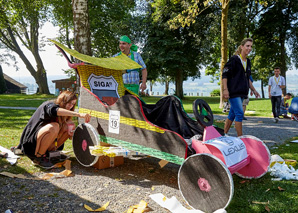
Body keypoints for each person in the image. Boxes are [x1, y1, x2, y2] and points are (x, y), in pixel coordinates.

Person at [16, 91, 91, 169]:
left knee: (69, 125)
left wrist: (71, 134)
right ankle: (39, 158)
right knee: (53, 127)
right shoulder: (50, 104)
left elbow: (68, 128)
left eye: (73, 104)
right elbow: (54, 111)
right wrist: (78, 114)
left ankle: (51, 154)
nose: (71, 106)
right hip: (32, 144)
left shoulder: (65, 115)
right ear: (63, 100)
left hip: (46, 142)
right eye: (69, 103)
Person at [222, 38, 260, 136]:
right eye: (247, 46)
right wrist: (225, 90)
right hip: (234, 92)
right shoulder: (234, 59)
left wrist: (254, 90)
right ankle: (241, 138)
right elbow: (224, 75)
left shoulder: (248, 61)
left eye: (251, 46)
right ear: (242, 46)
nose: (249, 48)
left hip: (243, 92)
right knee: (239, 114)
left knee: (232, 114)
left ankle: (223, 135)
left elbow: (247, 78)